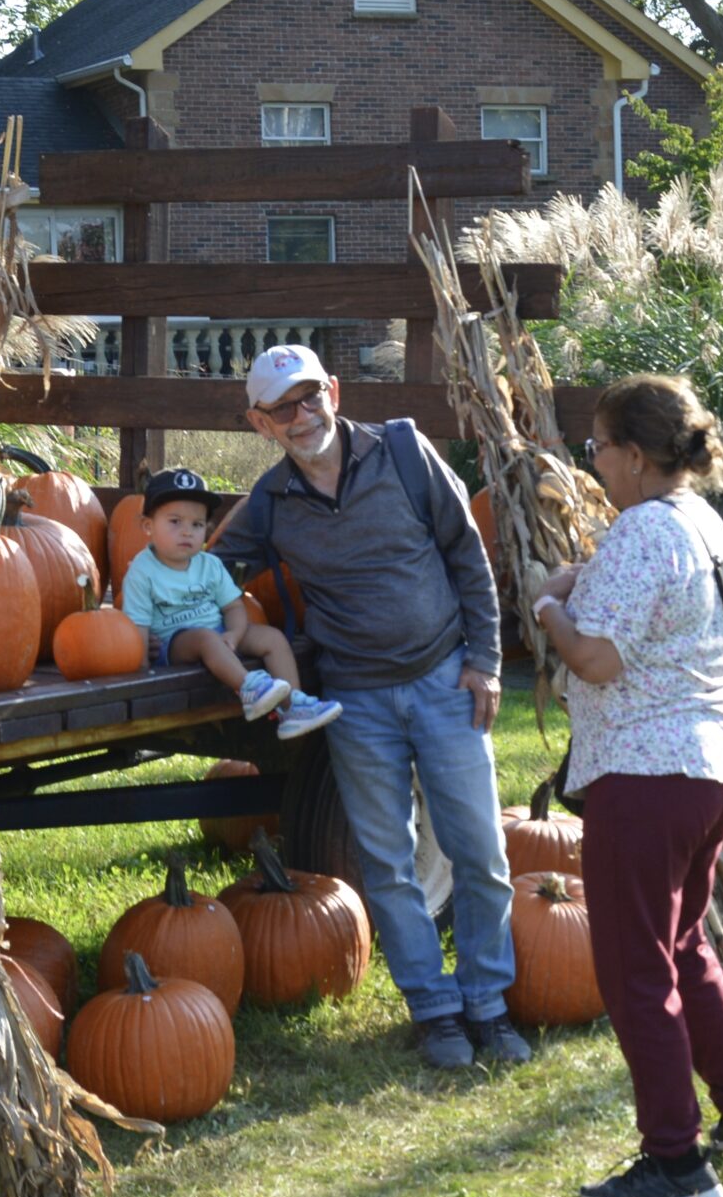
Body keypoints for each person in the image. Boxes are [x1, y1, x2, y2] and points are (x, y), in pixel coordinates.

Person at [212, 344, 526, 1069]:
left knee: (480, 852)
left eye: (310, 396)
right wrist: (157, 588)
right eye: (282, 408)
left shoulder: (407, 456)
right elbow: (214, 567)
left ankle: (489, 1002)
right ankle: (436, 1011)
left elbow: (467, 555)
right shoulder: (271, 501)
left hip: (445, 678)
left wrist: (485, 660)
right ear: (260, 423)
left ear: (336, 391)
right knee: (387, 864)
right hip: (357, 699)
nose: (302, 416)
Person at [532, 374, 723, 1197]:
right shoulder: (699, 520)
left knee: (635, 965)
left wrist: (548, 611)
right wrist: (584, 587)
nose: (593, 460)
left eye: (599, 446)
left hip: (648, 774)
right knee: (682, 944)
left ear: (635, 456)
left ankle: (675, 1158)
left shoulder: (641, 529)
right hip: (714, 765)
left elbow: (599, 658)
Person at [121, 467, 340, 739]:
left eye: (197, 524)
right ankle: (249, 688)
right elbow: (138, 623)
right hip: (173, 643)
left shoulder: (209, 564)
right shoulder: (142, 572)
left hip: (217, 631)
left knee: (271, 637)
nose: (187, 532)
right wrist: (142, 668)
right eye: (175, 522)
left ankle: (292, 707)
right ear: (148, 526)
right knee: (205, 638)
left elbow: (233, 607)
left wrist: (234, 636)